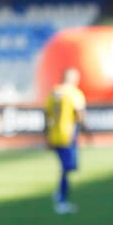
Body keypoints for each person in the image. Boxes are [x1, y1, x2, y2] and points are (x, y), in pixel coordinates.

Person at [45, 67, 88, 214]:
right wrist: (86, 130)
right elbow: (80, 113)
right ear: (73, 78)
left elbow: (47, 114)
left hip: (55, 135)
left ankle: (59, 193)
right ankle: (61, 200)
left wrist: (47, 136)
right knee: (68, 167)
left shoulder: (54, 92)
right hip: (67, 135)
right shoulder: (74, 93)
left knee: (67, 167)